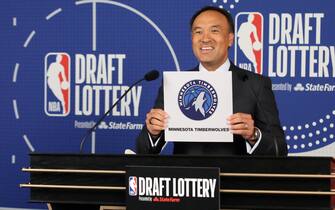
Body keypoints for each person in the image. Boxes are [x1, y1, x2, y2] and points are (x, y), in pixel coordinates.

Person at [136, 6, 287, 156]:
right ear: (192, 39)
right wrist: (153, 132)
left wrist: (253, 135)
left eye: (214, 30)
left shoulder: (256, 84)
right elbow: (144, 150)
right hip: (187, 177)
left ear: (230, 39)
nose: (205, 38)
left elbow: (279, 150)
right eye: (198, 32)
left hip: (234, 177)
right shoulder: (175, 84)